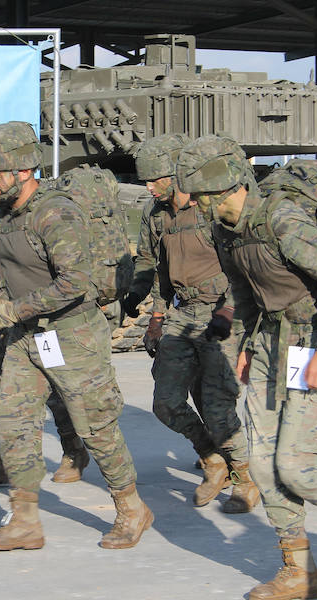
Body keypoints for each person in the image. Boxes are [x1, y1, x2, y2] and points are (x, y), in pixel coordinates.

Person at [176, 135, 317, 598]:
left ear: (223, 191)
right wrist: (242, 341)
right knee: (262, 464)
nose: (196, 207)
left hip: (312, 343)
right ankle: (298, 571)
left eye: (200, 198)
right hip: (267, 345)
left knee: (296, 467)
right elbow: (242, 289)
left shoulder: (282, 220)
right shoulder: (223, 230)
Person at [0, 121, 152, 551]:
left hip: (71, 334)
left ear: (22, 171)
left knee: (95, 426)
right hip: (24, 337)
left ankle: (131, 508)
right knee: (12, 419)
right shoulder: (3, 218)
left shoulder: (55, 213)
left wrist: (14, 308)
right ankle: (25, 521)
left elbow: (76, 282)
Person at [127, 134, 258, 513]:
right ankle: (212, 457)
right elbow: (155, 270)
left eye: (154, 179)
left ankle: (245, 480)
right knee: (165, 403)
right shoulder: (157, 216)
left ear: (175, 175)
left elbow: (244, 267)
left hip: (221, 312)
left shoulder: (210, 209)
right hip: (182, 314)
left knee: (218, 405)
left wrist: (231, 313)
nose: (149, 187)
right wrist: (155, 316)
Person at [0, 148, 89, 486]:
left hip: (35, 311)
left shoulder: (19, 212)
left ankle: (74, 448)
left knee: (53, 382)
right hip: (0, 313)